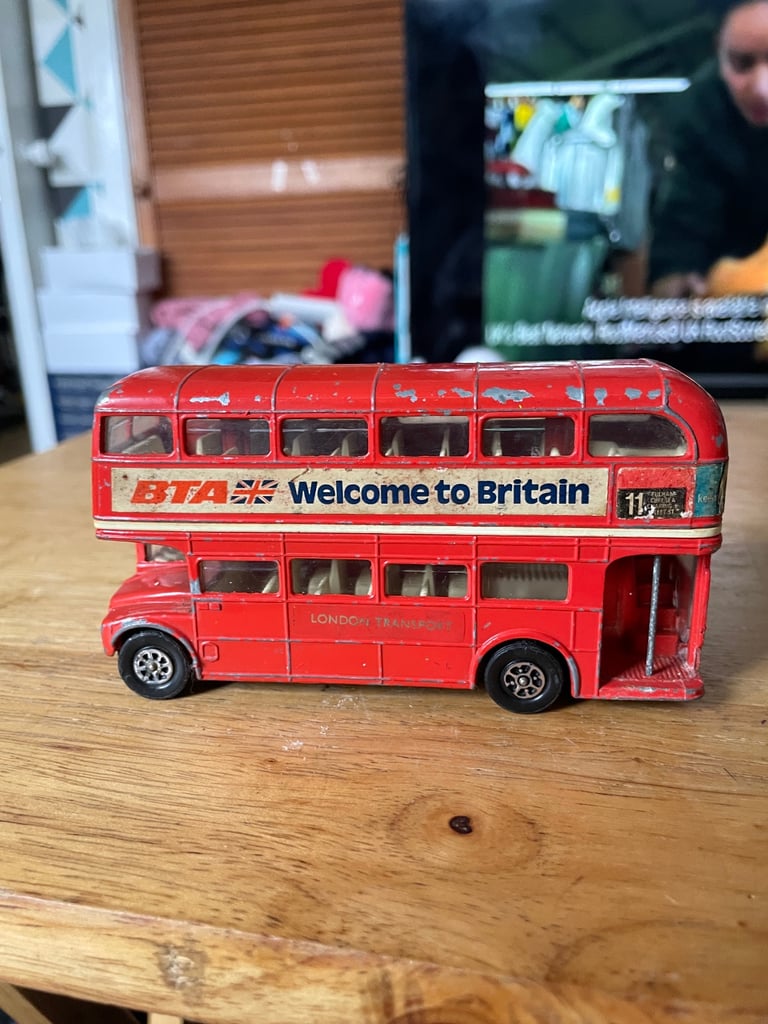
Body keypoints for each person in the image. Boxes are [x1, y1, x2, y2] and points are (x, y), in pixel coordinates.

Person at [649, 0, 768, 297]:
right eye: (741, 63)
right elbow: (687, 211)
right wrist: (675, 275)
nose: (762, 89)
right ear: (719, 51)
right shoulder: (698, 112)